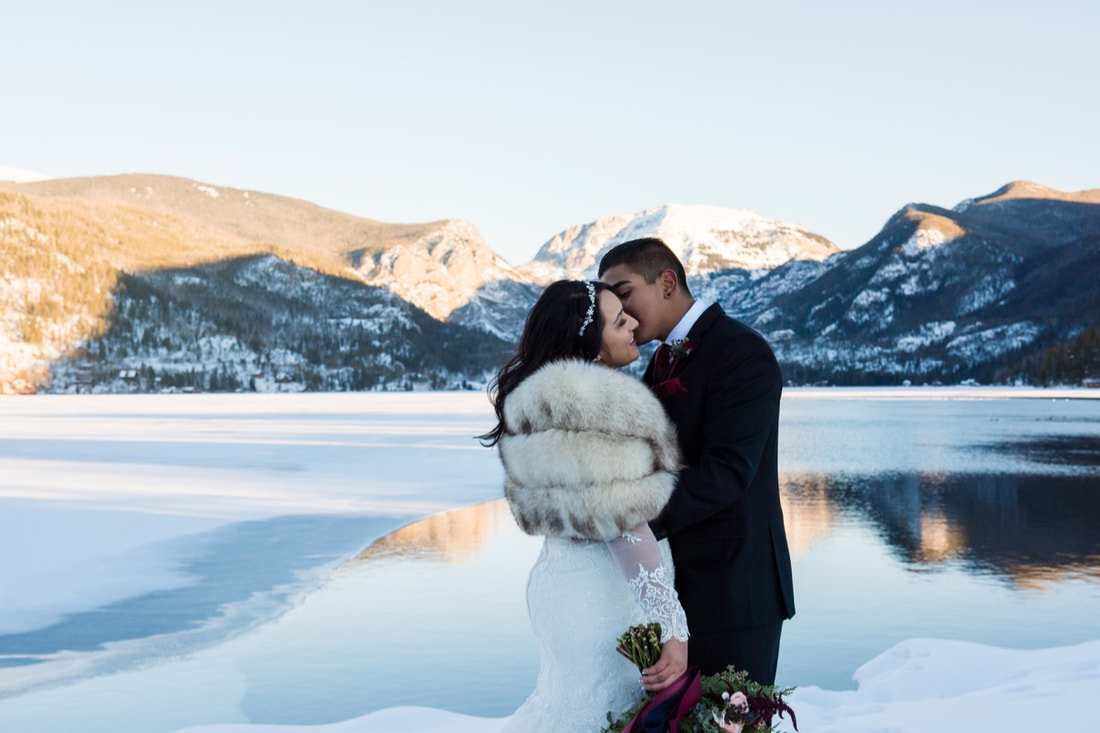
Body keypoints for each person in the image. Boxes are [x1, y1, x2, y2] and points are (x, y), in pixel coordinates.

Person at [481, 279, 690, 732]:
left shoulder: (543, 406)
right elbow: (625, 524)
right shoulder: (598, 412)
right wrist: (672, 626)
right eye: (619, 321)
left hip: (561, 587)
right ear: (591, 347)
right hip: (605, 602)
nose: (633, 323)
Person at [599, 237, 795, 686]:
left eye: (625, 292)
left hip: (736, 591)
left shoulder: (743, 352)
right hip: (678, 588)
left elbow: (729, 471)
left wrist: (631, 517)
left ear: (667, 282)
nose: (623, 313)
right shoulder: (659, 363)